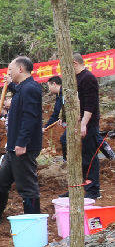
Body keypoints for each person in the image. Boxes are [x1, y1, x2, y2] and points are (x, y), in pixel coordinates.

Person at [0, 56, 43, 221]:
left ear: (20, 69)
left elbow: (30, 118)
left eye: (10, 70)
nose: (9, 72)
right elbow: (18, 91)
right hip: (13, 146)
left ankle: (33, 220)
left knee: (27, 185)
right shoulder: (22, 87)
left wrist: (21, 143)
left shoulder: (31, 88)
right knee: (2, 182)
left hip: (23, 147)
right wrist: (10, 83)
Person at [61, 53, 102, 199]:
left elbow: (90, 103)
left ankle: (92, 190)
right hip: (76, 123)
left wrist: (84, 123)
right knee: (73, 152)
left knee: (89, 156)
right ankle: (76, 187)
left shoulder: (88, 77)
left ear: (74, 63)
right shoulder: (74, 79)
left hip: (88, 124)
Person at [44, 76, 66, 158]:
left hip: (76, 121)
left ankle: (66, 160)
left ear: (54, 84)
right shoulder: (59, 95)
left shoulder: (64, 94)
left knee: (64, 140)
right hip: (66, 121)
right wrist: (46, 127)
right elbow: (55, 114)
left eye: (49, 86)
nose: (49, 89)